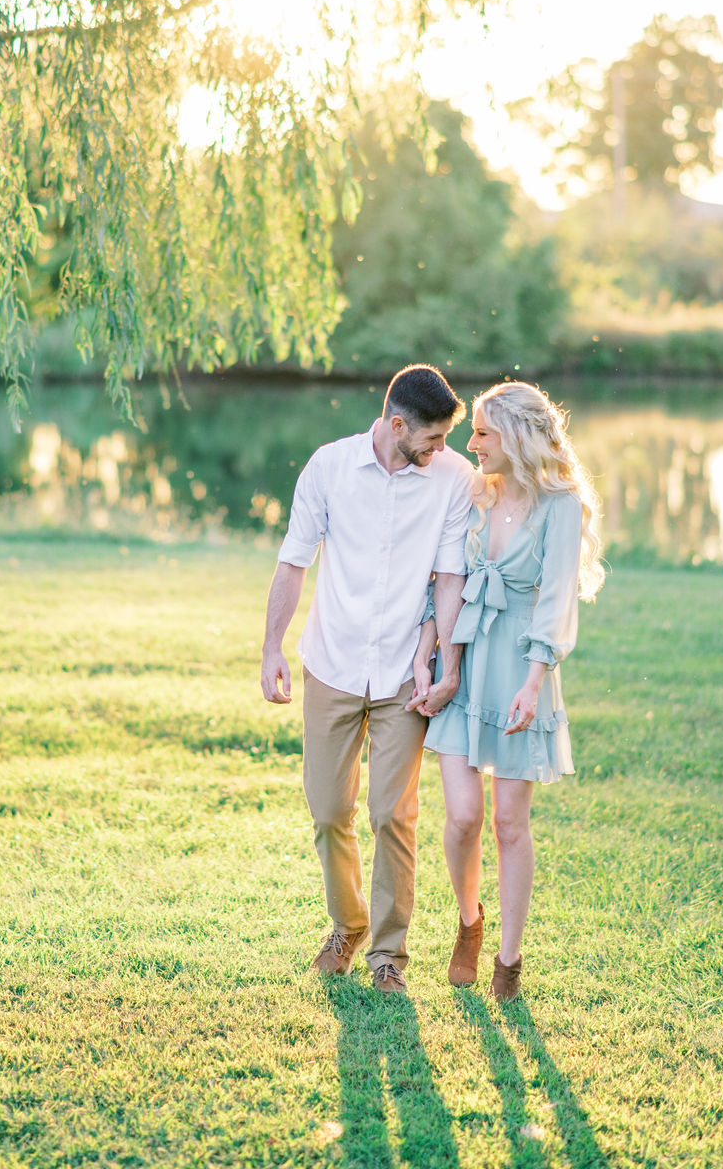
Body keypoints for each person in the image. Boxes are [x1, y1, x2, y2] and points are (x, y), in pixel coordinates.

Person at [261, 365, 474, 995]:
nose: (442, 451)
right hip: (332, 661)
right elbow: (294, 558)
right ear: (397, 424)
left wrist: (448, 665)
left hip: (405, 673)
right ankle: (348, 922)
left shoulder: (453, 480)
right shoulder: (328, 467)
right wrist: (272, 645)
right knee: (329, 809)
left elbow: (449, 578)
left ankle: (389, 953)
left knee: (392, 813)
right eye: (432, 439)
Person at [409, 381, 604, 1002]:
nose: (472, 445)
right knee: (463, 817)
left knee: (509, 822)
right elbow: (447, 577)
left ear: (516, 437)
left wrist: (535, 679)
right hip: (466, 662)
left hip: (522, 668)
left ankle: (509, 959)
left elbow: (556, 597)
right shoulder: (476, 492)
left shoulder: (561, 502)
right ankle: (469, 920)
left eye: (483, 433)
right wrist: (437, 656)